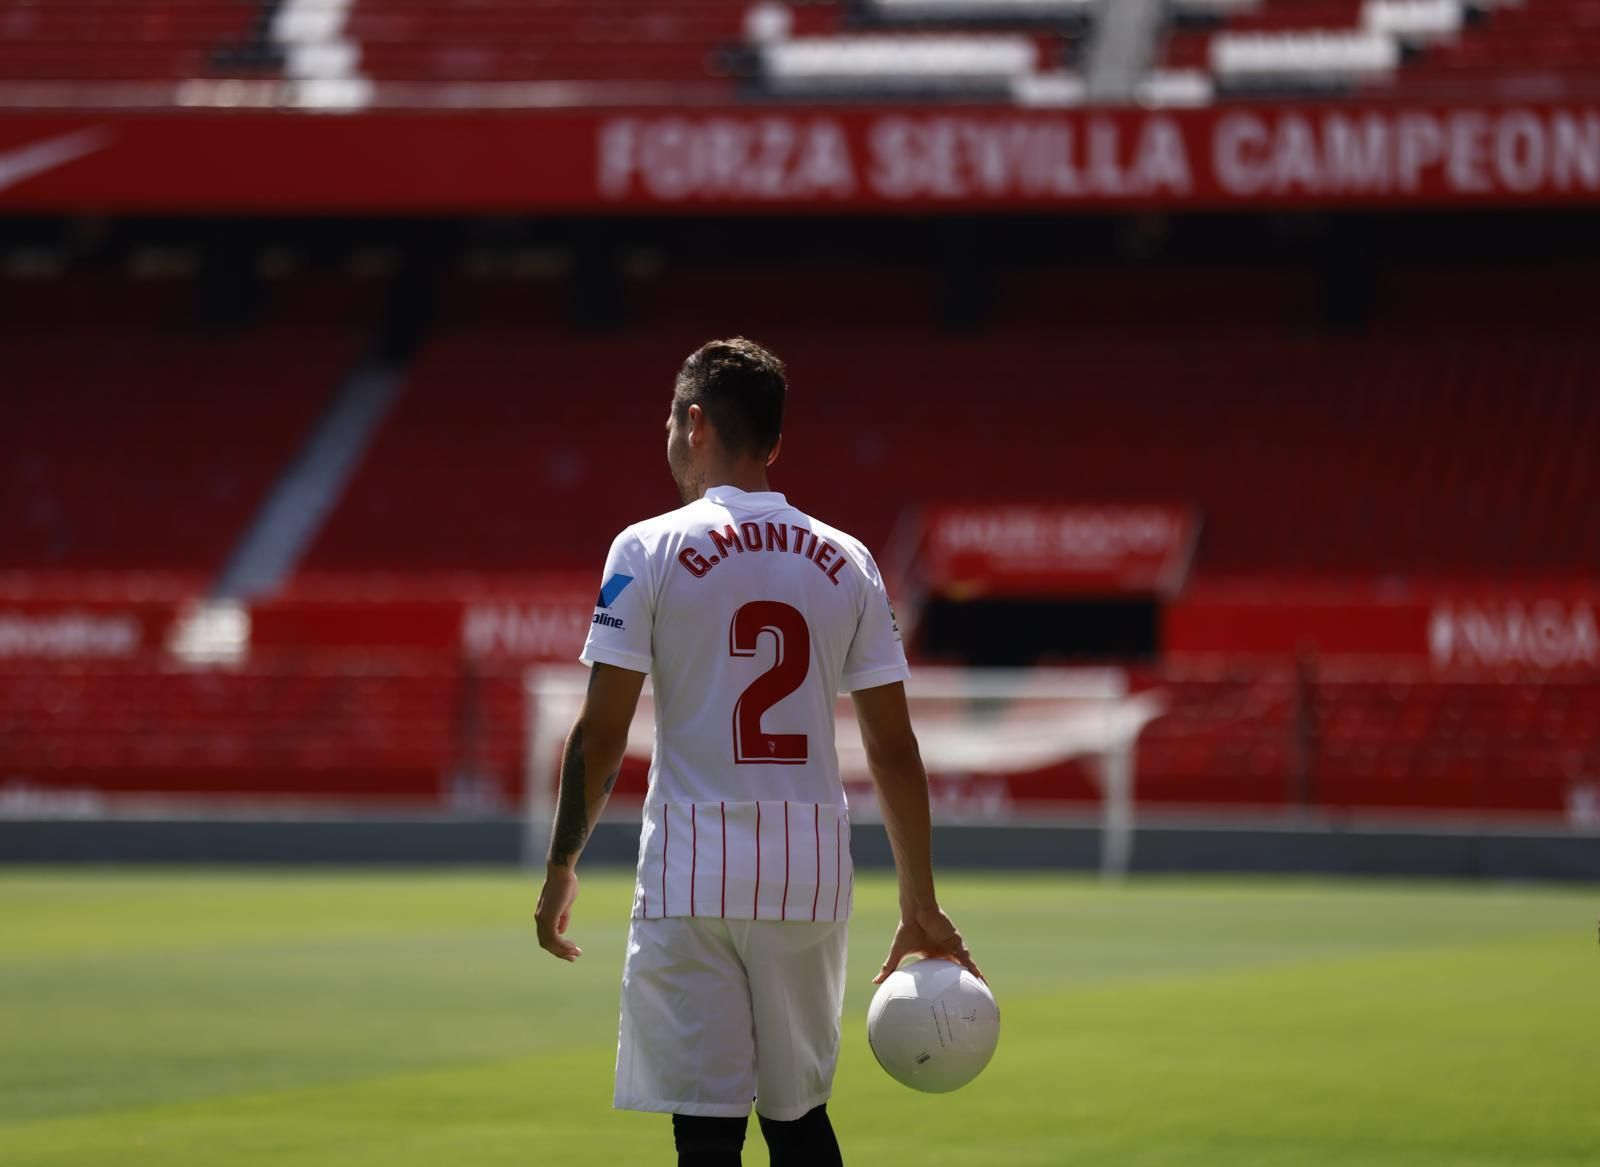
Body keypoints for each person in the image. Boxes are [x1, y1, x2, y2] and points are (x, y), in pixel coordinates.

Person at [534, 337, 981, 1167]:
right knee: (798, 1122)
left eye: (672, 423)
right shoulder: (850, 559)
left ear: (695, 422)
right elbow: (892, 746)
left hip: (690, 872)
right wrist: (919, 901)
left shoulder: (646, 547)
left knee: (705, 1132)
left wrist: (563, 862)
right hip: (808, 872)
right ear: (774, 442)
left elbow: (601, 733)